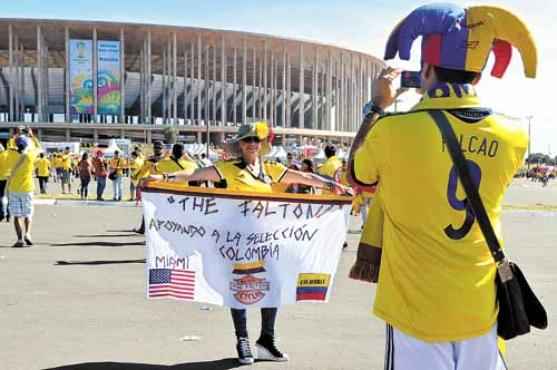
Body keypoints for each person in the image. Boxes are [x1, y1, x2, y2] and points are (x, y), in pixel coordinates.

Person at [347, 4, 535, 369]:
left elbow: (358, 177)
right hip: (480, 305)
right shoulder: (514, 135)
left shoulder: (392, 130)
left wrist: (378, 106)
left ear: (427, 70)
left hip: (415, 308)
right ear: (478, 76)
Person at [148, 121, 349, 365]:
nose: (252, 144)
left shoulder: (271, 169)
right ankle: (242, 339)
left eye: (256, 140)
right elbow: (193, 175)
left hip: (267, 239)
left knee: (273, 286)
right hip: (238, 239)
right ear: (240, 144)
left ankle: (266, 340)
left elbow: (305, 177)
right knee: (240, 287)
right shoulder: (228, 168)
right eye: (247, 140)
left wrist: (332, 186)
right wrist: (163, 177)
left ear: (262, 144)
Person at [5, 136, 41, 247]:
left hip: (13, 188)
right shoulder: (30, 155)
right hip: (27, 188)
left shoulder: (10, 155)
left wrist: (14, 138)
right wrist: (32, 136)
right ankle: (28, 234)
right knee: (28, 214)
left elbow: (9, 146)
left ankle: (19, 239)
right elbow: (39, 147)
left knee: (16, 215)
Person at [131, 141, 165, 233]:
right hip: (155, 187)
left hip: (159, 187)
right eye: (156, 147)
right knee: (149, 207)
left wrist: (136, 177)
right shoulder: (164, 159)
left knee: (150, 207)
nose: (157, 149)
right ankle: (144, 228)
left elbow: (142, 171)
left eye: (158, 147)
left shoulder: (165, 159)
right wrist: (136, 177)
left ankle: (146, 228)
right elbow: (142, 171)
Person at [0, 143, 10, 222]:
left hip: (1, 178)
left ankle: (2, 213)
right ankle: (9, 214)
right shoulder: (8, 154)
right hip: (9, 178)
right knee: (7, 196)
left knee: (1, 196)